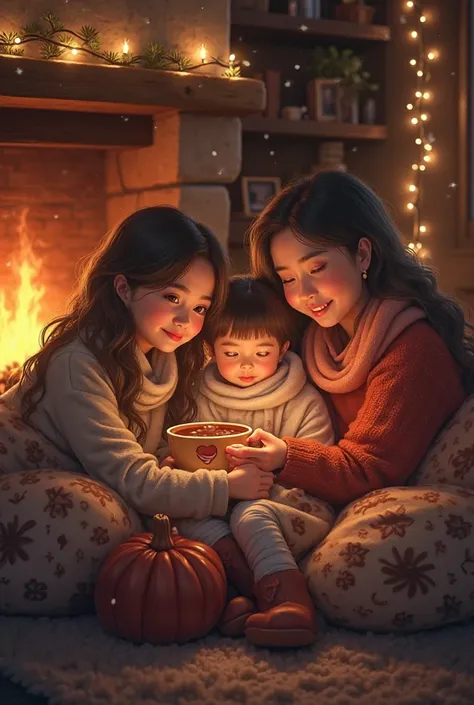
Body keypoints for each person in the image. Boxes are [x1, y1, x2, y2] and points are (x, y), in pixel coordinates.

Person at [226, 170, 473, 621]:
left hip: (385, 499)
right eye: (287, 277)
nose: (304, 294)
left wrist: (282, 456)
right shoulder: (319, 338)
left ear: (363, 253)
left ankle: (262, 596)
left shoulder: (412, 349)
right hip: (324, 486)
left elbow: (367, 467)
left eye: (317, 268)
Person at [0, 207, 274, 569]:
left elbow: (149, 455)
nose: (185, 320)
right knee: (107, 522)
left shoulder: (166, 359)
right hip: (18, 471)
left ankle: (253, 590)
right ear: (123, 288)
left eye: (200, 308)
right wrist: (225, 487)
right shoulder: (76, 363)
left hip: (99, 478)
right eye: (172, 298)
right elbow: (131, 477)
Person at [172, 275, 335, 647]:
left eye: (261, 353)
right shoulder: (198, 395)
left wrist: (270, 470)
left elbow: (317, 461)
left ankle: (291, 603)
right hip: (217, 503)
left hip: (286, 506)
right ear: (212, 350)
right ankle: (242, 597)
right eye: (232, 353)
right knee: (185, 517)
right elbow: (183, 444)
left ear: (283, 348)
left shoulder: (301, 400)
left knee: (250, 514)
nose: (247, 364)